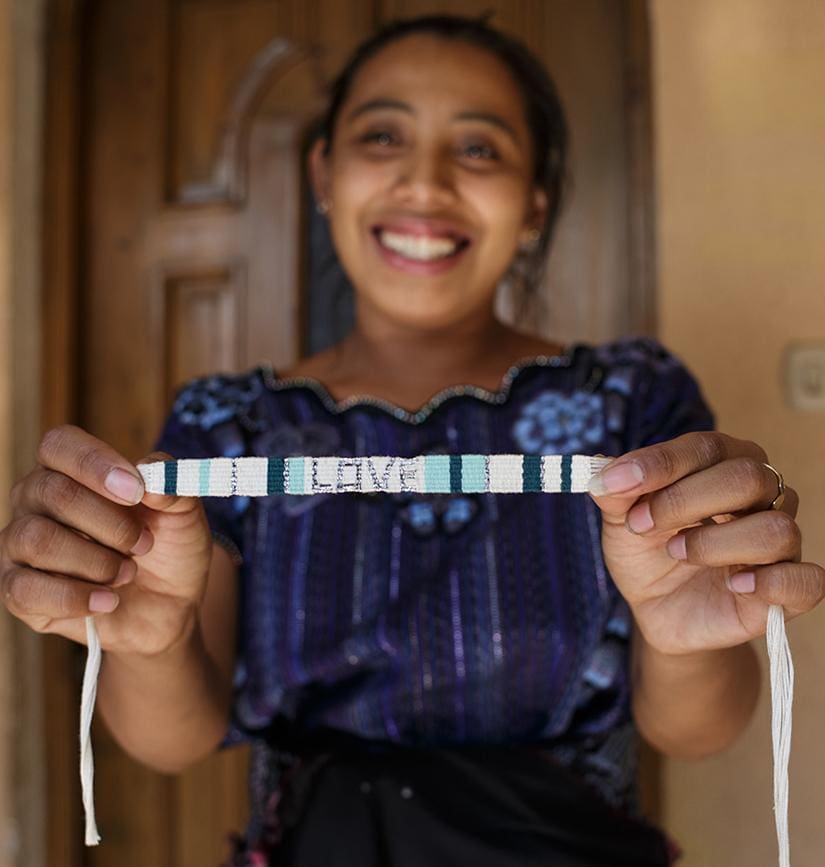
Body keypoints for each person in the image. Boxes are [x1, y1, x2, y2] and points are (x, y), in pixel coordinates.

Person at [2, 13, 822, 867]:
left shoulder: (632, 403)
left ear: (535, 199)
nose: (423, 183)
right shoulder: (224, 427)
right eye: (382, 135)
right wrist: (152, 640)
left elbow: (696, 730)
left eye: (479, 149)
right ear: (324, 172)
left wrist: (684, 637)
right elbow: (173, 737)